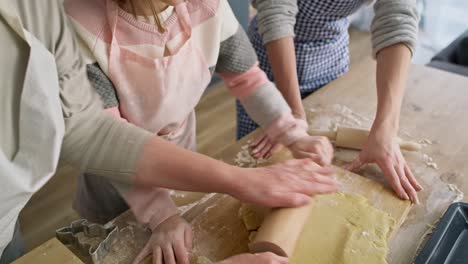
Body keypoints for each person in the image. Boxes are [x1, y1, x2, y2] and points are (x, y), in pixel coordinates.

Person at [0, 0, 340, 263]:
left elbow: (247, 78)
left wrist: (291, 131)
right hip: (115, 186)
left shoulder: (207, 8)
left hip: (181, 150)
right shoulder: (80, 26)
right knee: (117, 241)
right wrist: (161, 215)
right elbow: (108, 138)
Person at [237, 0, 424, 204]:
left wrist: (386, 129)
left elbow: (397, 19)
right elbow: (276, 11)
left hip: (330, 58)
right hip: (270, 62)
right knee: (258, 160)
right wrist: (291, 114)